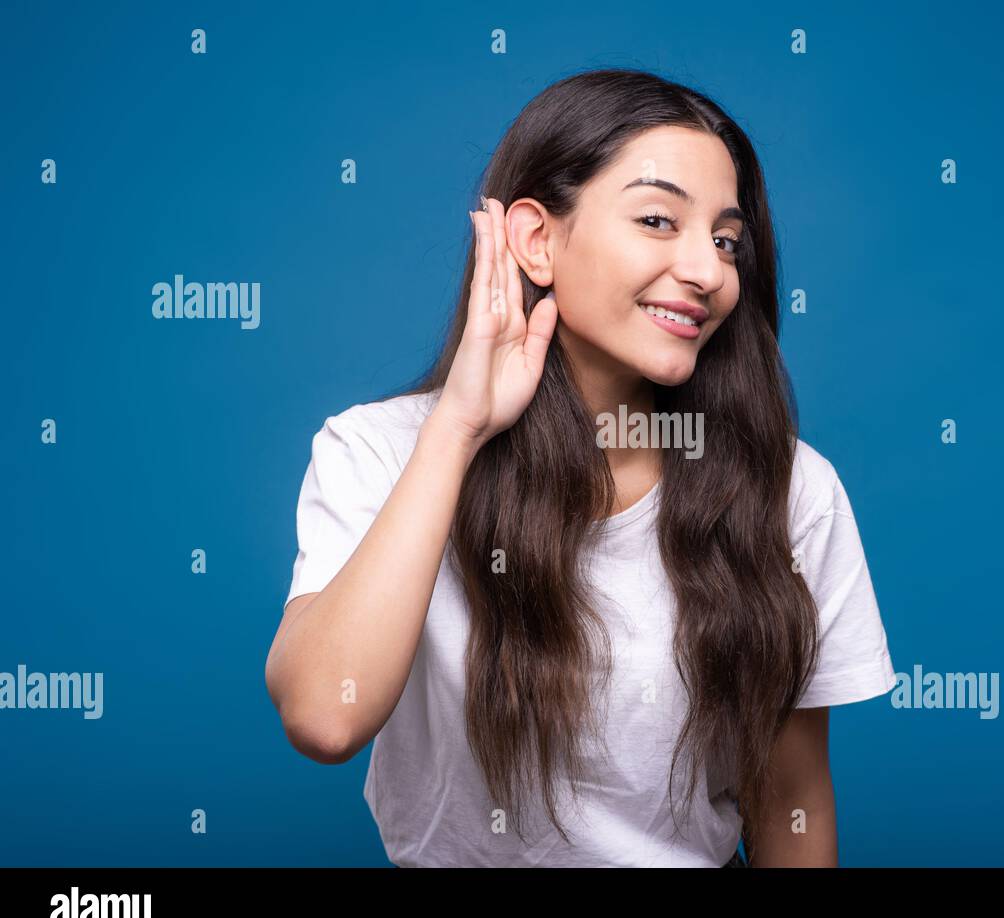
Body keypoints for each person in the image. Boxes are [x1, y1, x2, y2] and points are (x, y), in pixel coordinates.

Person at [264, 68, 896, 867]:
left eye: (728, 239)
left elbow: (791, 801)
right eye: (660, 219)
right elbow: (324, 716)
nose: (708, 270)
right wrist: (457, 428)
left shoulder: (791, 492)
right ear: (537, 240)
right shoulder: (379, 451)